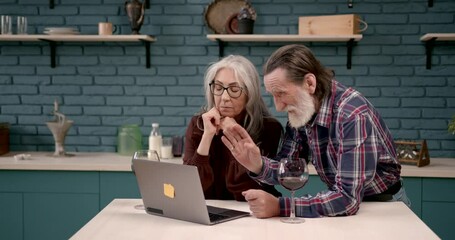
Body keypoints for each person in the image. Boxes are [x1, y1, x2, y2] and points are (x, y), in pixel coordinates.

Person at [221, 44, 411, 218]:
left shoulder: (352, 114)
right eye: (273, 95)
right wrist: (257, 164)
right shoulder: (302, 112)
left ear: (310, 83)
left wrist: (281, 206)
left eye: (282, 93)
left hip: (383, 205)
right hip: (344, 206)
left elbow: (347, 199)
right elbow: (288, 169)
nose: (278, 107)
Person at [183, 55, 283, 201]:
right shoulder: (198, 124)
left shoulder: (269, 128)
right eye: (218, 87)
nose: (224, 97)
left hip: (252, 212)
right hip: (208, 212)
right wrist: (207, 136)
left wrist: (234, 134)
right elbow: (190, 188)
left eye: (234, 89)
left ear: (249, 93)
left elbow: (243, 190)